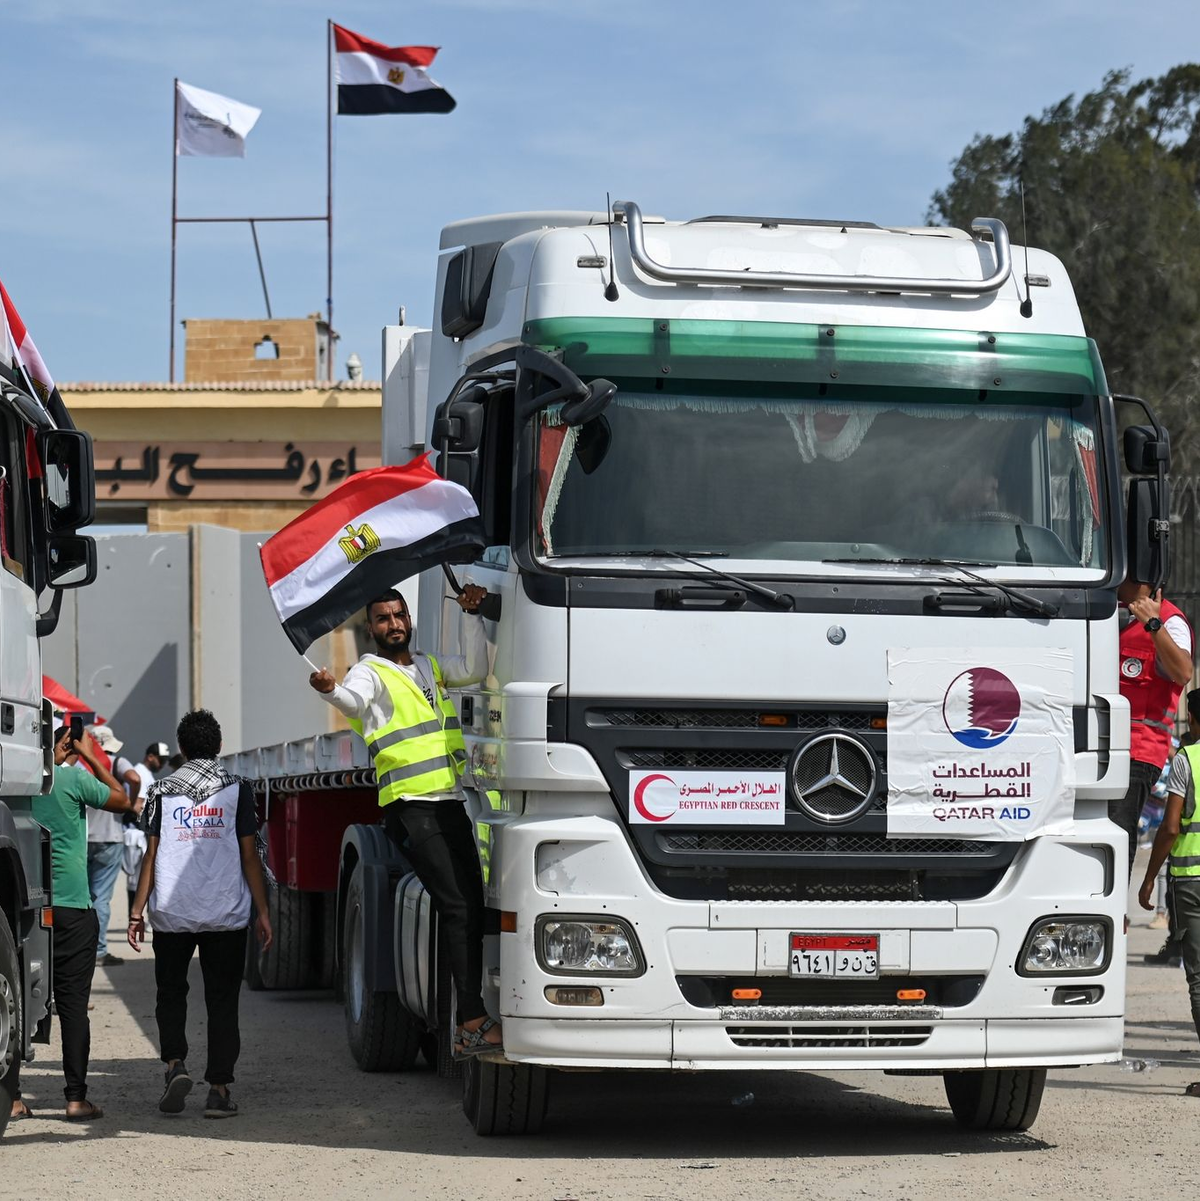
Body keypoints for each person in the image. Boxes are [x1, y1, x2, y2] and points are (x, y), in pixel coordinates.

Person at [308, 585, 501, 1056]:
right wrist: (332, 690)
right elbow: (355, 703)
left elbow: (476, 668)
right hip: (410, 806)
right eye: (382, 619)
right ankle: (471, 1022)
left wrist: (473, 615)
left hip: (448, 801)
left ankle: (470, 1017)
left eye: (398, 616)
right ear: (370, 628)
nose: (393, 624)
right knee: (456, 906)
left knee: (472, 905)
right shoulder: (369, 672)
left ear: (408, 618)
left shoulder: (428, 667)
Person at [128, 710, 271, 1118]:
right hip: (225, 912)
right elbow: (248, 854)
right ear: (219, 746)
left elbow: (152, 855)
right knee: (222, 1000)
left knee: (171, 993)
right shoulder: (238, 789)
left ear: (182, 749)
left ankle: (175, 1064)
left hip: (173, 911)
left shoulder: (161, 791)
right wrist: (262, 911)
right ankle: (220, 1091)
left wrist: (137, 912)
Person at [9, 727, 132, 1122]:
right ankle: (76, 1099)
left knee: (16, 1000)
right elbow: (122, 800)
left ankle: (11, 1096)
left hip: (23, 906)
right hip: (73, 908)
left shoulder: (13, 782)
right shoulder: (74, 779)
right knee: (75, 1008)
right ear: (61, 744)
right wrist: (89, 756)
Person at [1139, 696, 1200, 1098]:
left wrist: (1148, 879)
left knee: (1199, 979)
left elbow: (1171, 826)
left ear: (1192, 718)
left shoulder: (1186, 759)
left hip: (1190, 882)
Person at [1113, 578, 1194, 880]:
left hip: (1136, 753)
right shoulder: (1105, 612)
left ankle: (1115, 912)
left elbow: (1184, 672)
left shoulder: (1170, 622)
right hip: (1088, 745)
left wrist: (1154, 624)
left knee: (1117, 833)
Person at [86, 724, 142, 966]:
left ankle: (80, 950)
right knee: (101, 898)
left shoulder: (80, 764)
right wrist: (129, 803)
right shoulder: (116, 762)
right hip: (110, 837)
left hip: (83, 836)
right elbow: (134, 777)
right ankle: (98, 951)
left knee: (81, 898)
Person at [124, 742, 169, 918]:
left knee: (139, 879)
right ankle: (136, 916)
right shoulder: (140, 773)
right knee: (138, 879)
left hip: (141, 832)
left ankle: (137, 916)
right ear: (150, 756)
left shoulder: (146, 774)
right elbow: (137, 804)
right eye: (161, 760)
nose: (163, 764)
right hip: (137, 832)